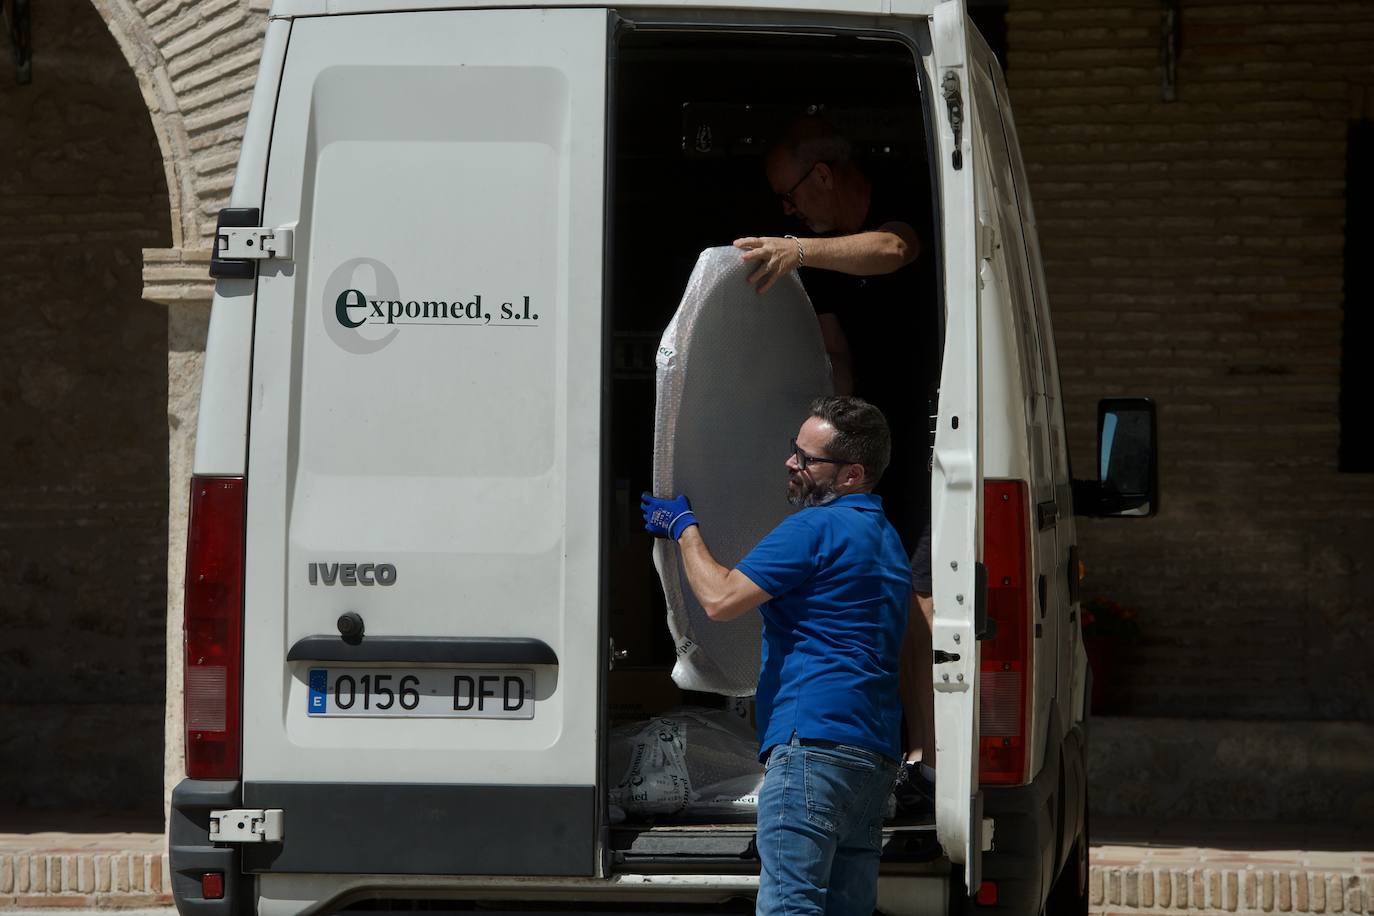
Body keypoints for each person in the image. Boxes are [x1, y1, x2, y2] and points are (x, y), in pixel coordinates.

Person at [734, 116, 938, 810]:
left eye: (790, 197)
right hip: (877, 447)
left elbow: (893, 249)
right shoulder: (813, 262)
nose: (787, 213)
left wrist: (798, 248)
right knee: (896, 600)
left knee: (924, 598)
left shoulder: (903, 196)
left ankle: (929, 760)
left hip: (940, 435)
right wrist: (829, 452)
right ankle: (898, 750)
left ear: (822, 176)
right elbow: (839, 356)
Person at [641, 396, 910, 916]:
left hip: (811, 746)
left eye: (809, 459)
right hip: (872, 757)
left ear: (852, 474)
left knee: (791, 906)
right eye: (795, 450)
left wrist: (683, 530)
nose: (792, 463)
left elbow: (721, 600)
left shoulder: (814, 529)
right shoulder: (885, 537)